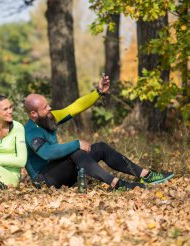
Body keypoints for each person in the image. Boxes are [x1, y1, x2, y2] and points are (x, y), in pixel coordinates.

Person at [23, 75, 174, 190]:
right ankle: (118, 184)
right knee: (76, 151)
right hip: (44, 180)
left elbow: (75, 107)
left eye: (48, 104)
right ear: (33, 114)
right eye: (45, 107)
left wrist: (99, 92)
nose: (49, 108)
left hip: (60, 172)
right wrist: (76, 143)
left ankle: (145, 175)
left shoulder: (49, 117)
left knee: (100, 147)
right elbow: (47, 153)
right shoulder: (30, 131)